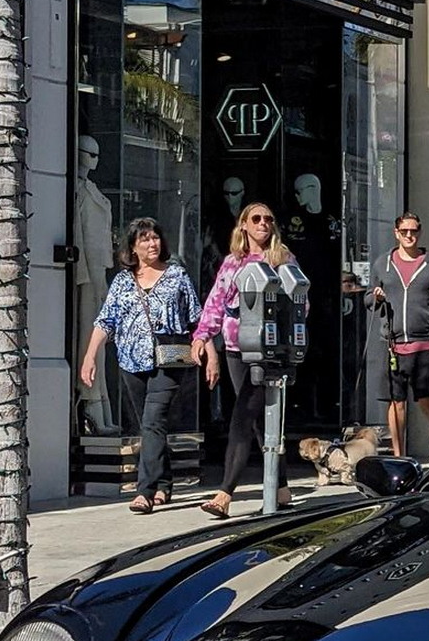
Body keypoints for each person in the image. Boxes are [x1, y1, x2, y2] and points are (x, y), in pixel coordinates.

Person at [79, 217, 200, 514]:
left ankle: (144, 490)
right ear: (133, 246)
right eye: (144, 239)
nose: (152, 243)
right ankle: (165, 483)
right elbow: (105, 320)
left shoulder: (177, 275)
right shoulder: (122, 281)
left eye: (155, 237)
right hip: (131, 360)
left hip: (169, 359)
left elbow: (196, 317)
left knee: (152, 421)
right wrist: (90, 355)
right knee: (150, 426)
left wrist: (205, 348)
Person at [192, 202, 302, 518]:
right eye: (256, 218)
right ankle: (281, 489)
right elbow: (216, 302)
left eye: (268, 218)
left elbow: (300, 301)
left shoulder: (283, 260)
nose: (263, 223)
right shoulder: (232, 263)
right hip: (236, 347)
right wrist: (202, 335)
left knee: (243, 416)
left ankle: (225, 493)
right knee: (259, 420)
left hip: (269, 348)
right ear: (244, 225)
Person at [372, 213, 429, 458]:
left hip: (424, 342)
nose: (410, 235)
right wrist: (374, 297)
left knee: (424, 397)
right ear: (396, 233)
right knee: (396, 401)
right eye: (405, 231)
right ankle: (398, 455)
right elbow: (369, 298)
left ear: (420, 232)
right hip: (393, 343)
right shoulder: (382, 263)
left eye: (414, 231)